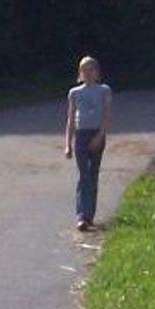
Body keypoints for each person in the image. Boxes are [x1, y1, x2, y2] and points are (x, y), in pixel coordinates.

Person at [63, 55, 113, 231]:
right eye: (84, 70)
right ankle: (82, 216)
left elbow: (107, 115)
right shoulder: (74, 93)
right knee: (83, 175)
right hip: (81, 135)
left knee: (93, 174)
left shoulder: (104, 90)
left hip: (97, 134)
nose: (88, 73)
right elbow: (70, 119)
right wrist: (68, 144)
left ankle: (89, 215)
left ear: (97, 72)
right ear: (80, 73)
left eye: (91, 69)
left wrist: (100, 135)